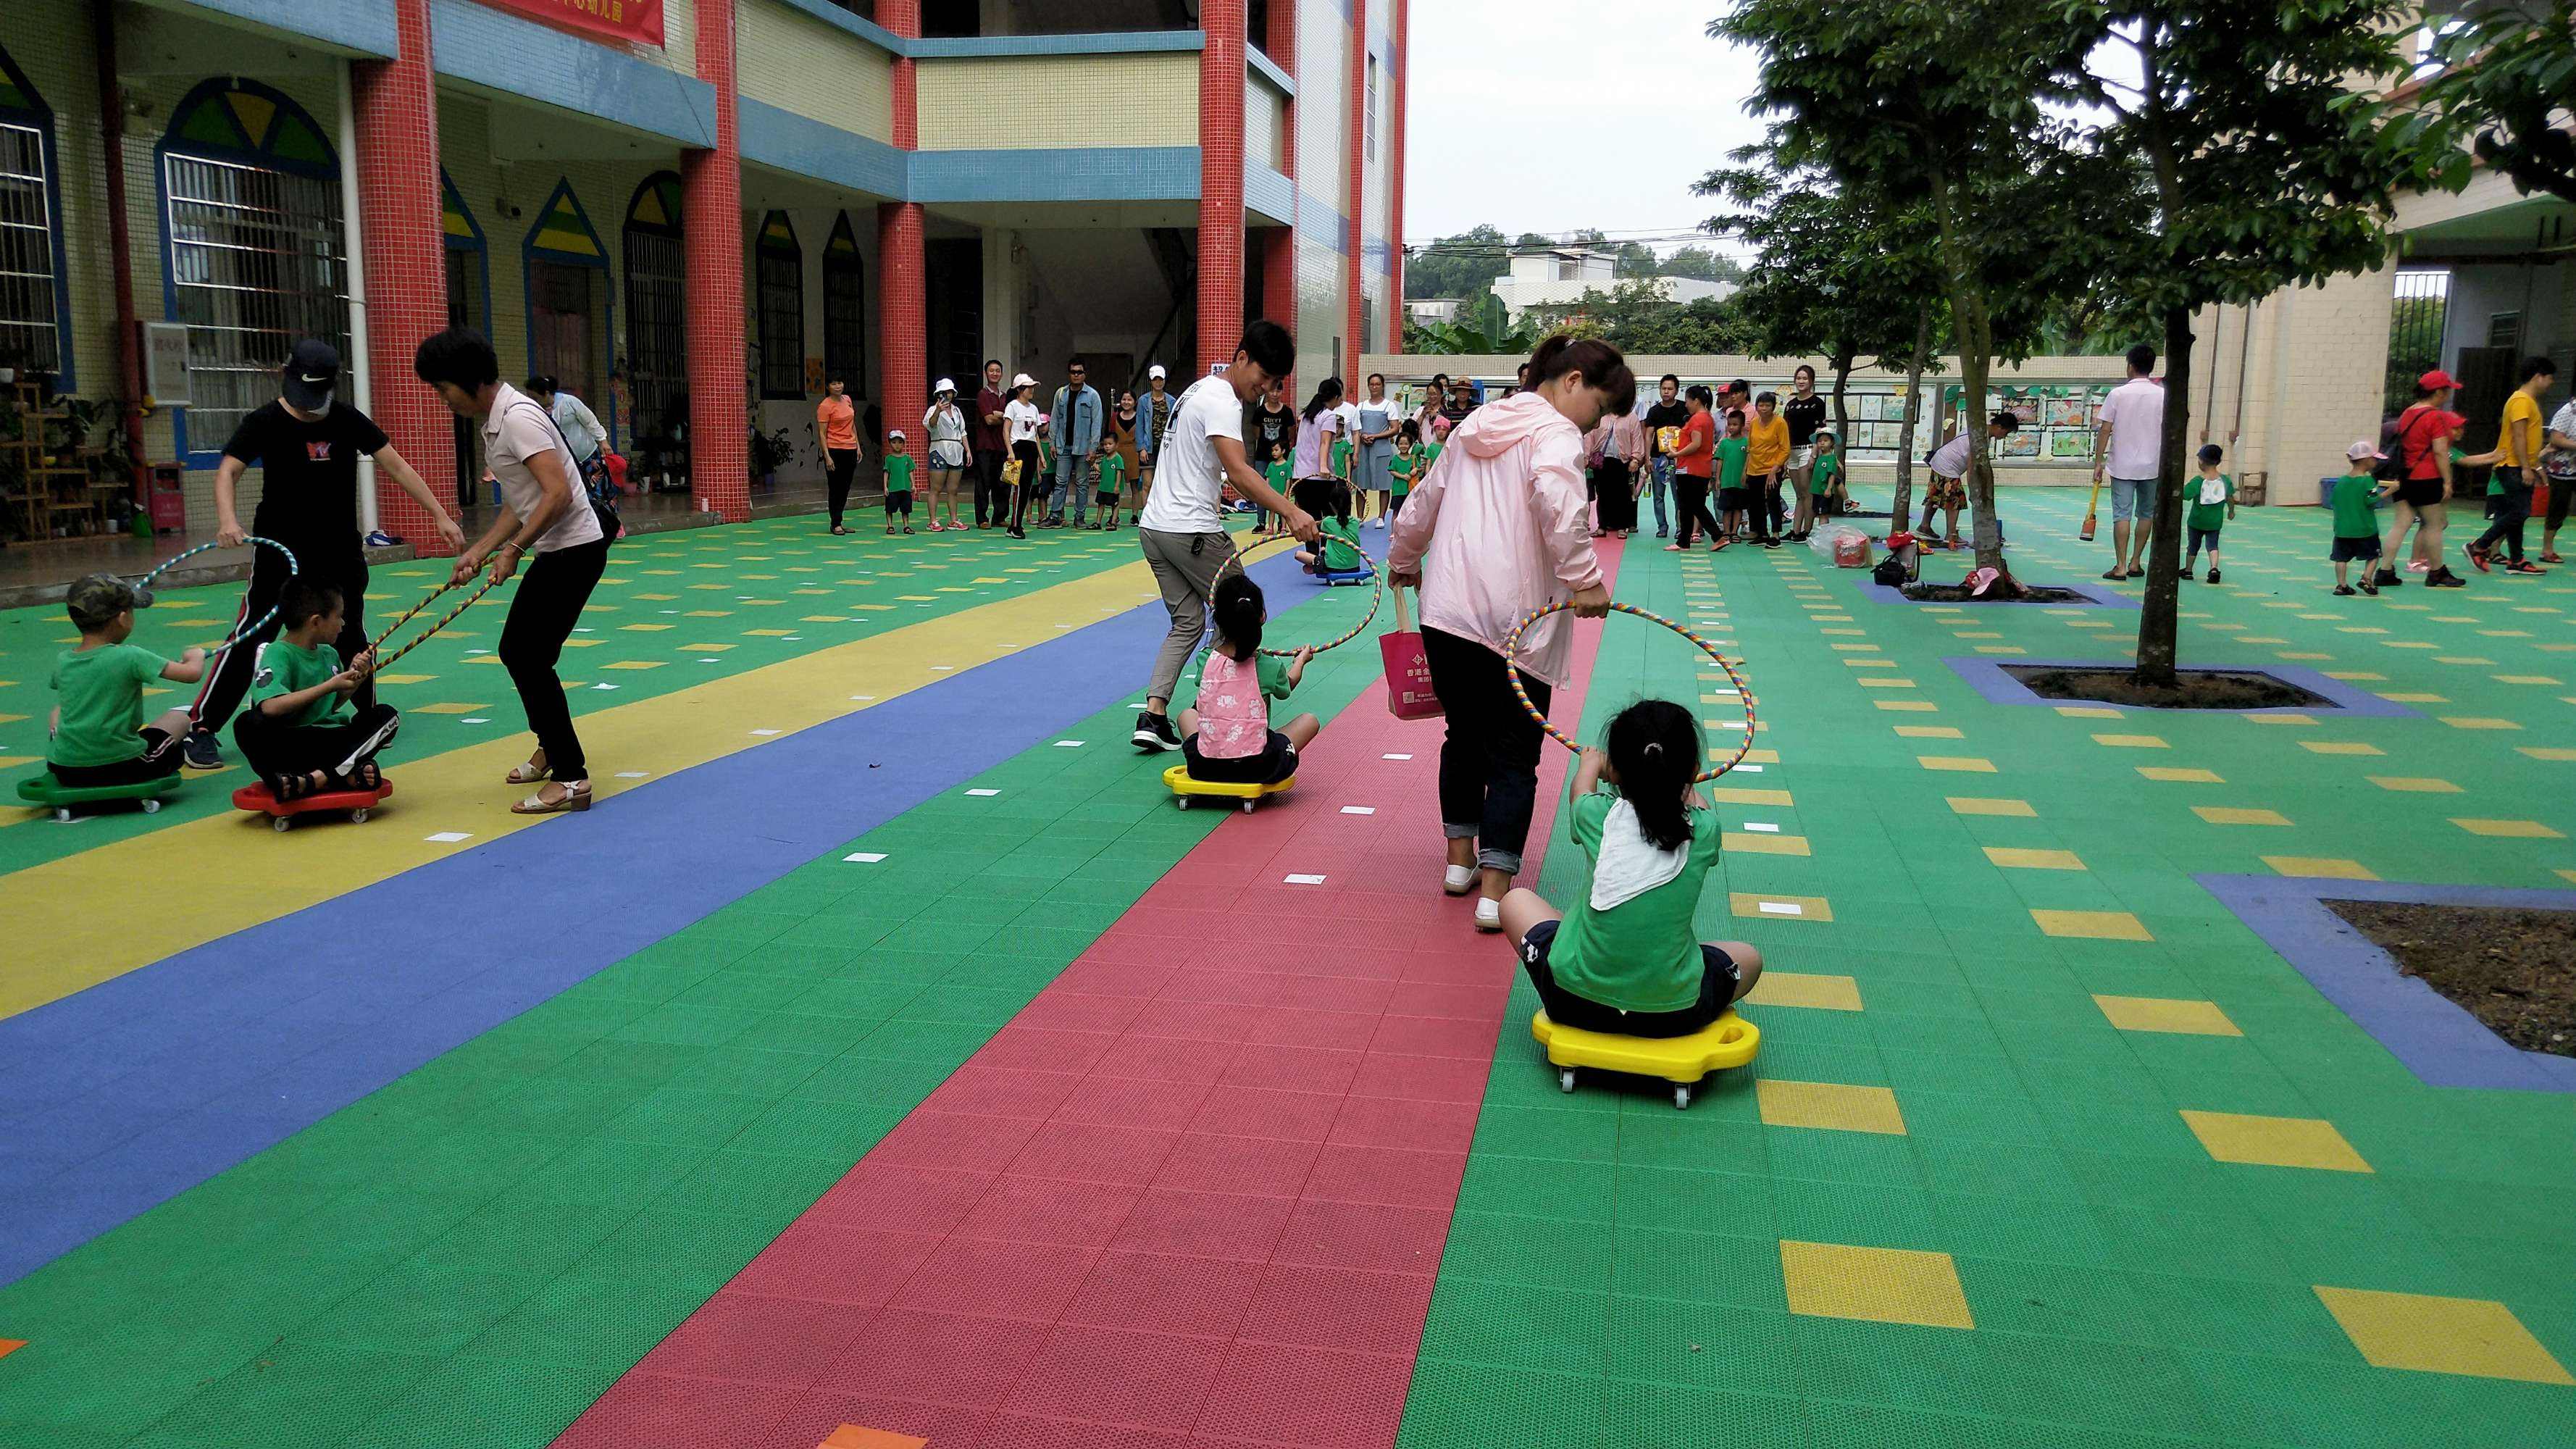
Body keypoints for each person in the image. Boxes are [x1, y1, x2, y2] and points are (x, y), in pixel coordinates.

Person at [1389, 335, 1623, 932]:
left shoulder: (1476, 424)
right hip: (1521, 620)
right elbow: (1561, 504)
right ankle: (1496, 893)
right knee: (1515, 754)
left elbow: (1424, 500)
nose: (1594, 425)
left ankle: (1458, 862)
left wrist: (1404, 557)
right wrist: (1585, 579)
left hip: (1449, 612)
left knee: (1463, 736)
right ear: (1572, 382)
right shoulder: (1555, 433)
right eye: (1597, 408)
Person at [184, 338, 461, 770]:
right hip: (281, 553)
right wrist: (227, 520)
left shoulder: (347, 419)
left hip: (338, 551)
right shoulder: (264, 421)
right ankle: (202, 728)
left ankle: (365, 716)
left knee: (350, 633)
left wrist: (440, 515)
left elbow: (397, 465)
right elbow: (229, 470)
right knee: (253, 635)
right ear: (286, 375)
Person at [416, 327, 611, 814]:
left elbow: (558, 494)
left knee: (527, 657)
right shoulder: (498, 421)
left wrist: (515, 550)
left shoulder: (518, 420)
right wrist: (481, 549)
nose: (444, 401)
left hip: (575, 550)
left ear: (467, 380)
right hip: (560, 549)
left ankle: (571, 777)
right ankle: (551, 748)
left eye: (443, 390)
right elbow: (521, 503)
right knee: (523, 652)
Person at [1498, 699, 1764, 1037]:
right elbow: (1699, 807)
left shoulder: (1597, 816)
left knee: (1514, 900)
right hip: (1673, 1015)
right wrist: (1681, 779)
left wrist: (1590, 764)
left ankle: (1600, 964)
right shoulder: (1705, 830)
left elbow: (1581, 792)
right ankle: (1645, 986)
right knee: (1749, 959)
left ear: (1616, 771)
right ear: (1692, 770)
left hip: (1571, 1002)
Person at [1132, 321, 1316, 753]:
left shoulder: (1197, 390)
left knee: (1190, 622)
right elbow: (1237, 470)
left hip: (1155, 528)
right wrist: (1291, 511)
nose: (1267, 389)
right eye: (1264, 377)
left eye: (1275, 383)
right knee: (1241, 616)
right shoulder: (1222, 402)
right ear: (1241, 358)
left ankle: (1154, 714)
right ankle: (1231, 725)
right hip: (1192, 531)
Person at [234, 579, 401, 801]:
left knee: (386, 715)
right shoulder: (278, 653)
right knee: (247, 723)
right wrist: (329, 685)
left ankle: (312, 780)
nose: (343, 623)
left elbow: (331, 704)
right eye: (338, 616)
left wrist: (356, 680)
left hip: (331, 740)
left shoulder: (329, 654)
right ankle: (341, 773)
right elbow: (271, 707)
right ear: (315, 621)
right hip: (293, 742)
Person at [46, 575, 204, 788]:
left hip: (65, 769)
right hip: (124, 768)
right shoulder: (130, 657)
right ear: (122, 618)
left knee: (58, 711)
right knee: (180, 720)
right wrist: (196, 655)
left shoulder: (63, 659)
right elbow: (192, 674)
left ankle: (81, 752)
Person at [1176, 572, 1321, 786]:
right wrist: (1300, 661)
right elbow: (1287, 685)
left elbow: (1202, 686)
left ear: (1217, 618)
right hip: (1257, 767)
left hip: (1205, 766)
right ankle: (1259, 747)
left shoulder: (1206, 659)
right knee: (1310, 721)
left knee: (1187, 714)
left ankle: (1229, 750)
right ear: (1262, 616)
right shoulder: (1269, 666)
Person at [2379, 370, 2470, 589]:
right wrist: (2447, 481)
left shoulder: (2407, 413)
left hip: (2405, 475)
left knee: (2400, 525)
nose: (2449, 393)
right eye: (2448, 389)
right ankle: (2437, 572)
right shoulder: (2435, 416)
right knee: (2434, 525)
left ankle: (2385, 570)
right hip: (2427, 477)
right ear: (2439, 391)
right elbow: (2440, 451)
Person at [2467, 356, 2556, 575]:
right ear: (2538, 377)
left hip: (2519, 464)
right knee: (2520, 510)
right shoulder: (2521, 401)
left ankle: (2517, 560)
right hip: (2512, 465)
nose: (2551, 383)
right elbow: (2519, 435)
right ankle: (2479, 545)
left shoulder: (2527, 401)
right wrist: (2526, 467)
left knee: (2519, 511)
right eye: (2550, 378)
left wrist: (2534, 466)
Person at [2093, 343, 2166, 580]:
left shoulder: (2118, 394)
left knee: (2121, 514)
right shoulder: (2163, 394)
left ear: (2131, 366)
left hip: (2122, 464)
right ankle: (2136, 562)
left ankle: (2121, 565)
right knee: (2146, 513)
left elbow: (2105, 429)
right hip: (2152, 464)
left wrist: (2098, 461)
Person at [1923, 413, 2017, 549]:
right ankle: (1951, 535)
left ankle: (1925, 526)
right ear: (1998, 427)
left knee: (1936, 494)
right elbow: (1972, 466)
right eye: (2006, 433)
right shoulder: (1980, 439)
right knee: (1955, 501)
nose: (2004, 436)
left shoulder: (1978, 428)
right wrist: (1973, 490)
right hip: (1948, 466)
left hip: (1941, 459)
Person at [527, 376, 613, 503]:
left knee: (598, 495)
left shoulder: (569, 402)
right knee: (576, 499)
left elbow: (591, 422)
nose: (532, 400)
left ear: (546, 393)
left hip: (588, 457)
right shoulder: (536, 411)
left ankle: (608, 521)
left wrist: (603, 441)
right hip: (564, 463)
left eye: (535, 397)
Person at [1666, 384, 1723, 552]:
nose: (1686, 405)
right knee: (1691, 505)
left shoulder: (1698, 419)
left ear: (1696, 401)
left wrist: (1676, 454)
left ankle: (1716, 536)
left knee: (1691, 505)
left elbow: (1696, 444)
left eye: (1688, 401)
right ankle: (1685, 541)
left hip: (1690, 469)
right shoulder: (1708, 418)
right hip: (1700, 468)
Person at [1047, 359, 1103, 527]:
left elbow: (1097, 423)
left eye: (1079, 372)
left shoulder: (1092, 395)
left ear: (1085, 374)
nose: (1076, 375)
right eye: (1073, 372)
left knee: (1082, 483)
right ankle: (1055, 515)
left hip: (1084, 447)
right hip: (1063, 445)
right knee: (1060, 481)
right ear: (1069, 374)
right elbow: (1055, 419)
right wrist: (1052, 442)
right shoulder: (1061, 394)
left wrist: (1093, 448)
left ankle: (1080, 517)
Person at [2331, 440, 2391, 596]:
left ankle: (2342, 585)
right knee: (2373, 555)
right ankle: (2366, 578)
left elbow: (2335, 502)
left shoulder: (2341, 481)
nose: (2376, 461)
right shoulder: (2368, 481)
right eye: (2374, 458)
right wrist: (2390, 491)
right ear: (2366, 460)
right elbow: (2371, 500)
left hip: (2342, 529)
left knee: (2341, 558)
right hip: (2365, 528)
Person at [2180, 443, 2236, 585]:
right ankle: (2214, 568)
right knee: (2213, 545)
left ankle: (2188, 570)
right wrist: (2231, 511)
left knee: (2193, 546)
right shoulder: (2225, 481)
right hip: (2215, 521)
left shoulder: (2199, 481)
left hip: (2196, 521)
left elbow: (2185, 495)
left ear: (2202, 462)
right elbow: (2230, 498)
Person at [1783, 364, 1827, 540]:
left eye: (1805, 378)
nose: (1801, 382)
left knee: (1807, 493)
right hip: (1792, 452)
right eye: (1799, 378)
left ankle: (1807, 531)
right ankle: (1796, 530)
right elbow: (1785, 431)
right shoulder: (1791, 405)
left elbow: (1820, 432)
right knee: (1799, 494)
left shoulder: (1817, 403)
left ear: (1812, 381)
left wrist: (1815, 454)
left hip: (1808, 450)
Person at [1640, 374, 1685, 539]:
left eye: (1670, 389)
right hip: (1657, 459)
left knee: (1678, 495)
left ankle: (1681, 527)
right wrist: (1647, 459)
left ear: (1676, 391)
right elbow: (1648, 435)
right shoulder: (1654, 411)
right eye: (1663, 388)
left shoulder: (1684, 408)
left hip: (1678, 458)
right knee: (1658, 495)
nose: (1666, 392)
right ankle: (1662, 527)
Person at [922, 379, 969, 531]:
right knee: (936, 487)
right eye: (944, 392)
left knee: (953, 489)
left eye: (950, 392)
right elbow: (931, 424)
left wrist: (968, 450)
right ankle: (933, 521)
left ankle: (954, 520)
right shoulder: (933, 409)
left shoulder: (957, 411)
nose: (947, 395)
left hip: (956, 449)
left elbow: (962, 432)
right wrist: (938, 410)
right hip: (939, 448)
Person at [1003, 372, 1045, 539]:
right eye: (1029, 387)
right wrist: (1010, 451)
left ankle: (1015, 524)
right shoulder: (1012, 406)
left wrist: (1041, 456)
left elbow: (1035, 435)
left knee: (1027, 488)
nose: (1032, 390)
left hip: (1031, 448)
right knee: (1019, 488)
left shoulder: (1034, 408)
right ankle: (1015, 524)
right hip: (1018, 447)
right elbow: (1006, 430)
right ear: (1021, 389)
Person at [1745, 391, 1790, 547]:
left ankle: (1776, 535)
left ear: (1773, 407)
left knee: (1773, 500)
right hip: (1754, 469)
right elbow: (1751, 448)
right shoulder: (1754, 423)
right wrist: (1746, 470)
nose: (1764, 408)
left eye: (1767, 405)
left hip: (1772, 469)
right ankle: (1762, 533)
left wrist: (1775, 469)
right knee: (1755, 503)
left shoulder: (1780, 423)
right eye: (1761, 405)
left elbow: (1785, 449)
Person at [1294, 379, 1347, 509]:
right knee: (1324, 520)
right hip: (1319, 477)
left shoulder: (1306, 415)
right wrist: (1323, 466)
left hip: (1300, 475)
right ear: (1335, 397)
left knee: (1307, 517)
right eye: (1339, 399)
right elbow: (1325, 442)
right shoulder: (1328, 416)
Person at [1294, 479, 1366, 575]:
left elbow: (1315, 526)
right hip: (1354, 566)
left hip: (1333, 567)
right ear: (1350, 504)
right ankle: (1321, 558)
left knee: (1298, 554)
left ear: (1331, 505)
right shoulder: (1355, 522)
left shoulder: (1328, 522)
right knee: (1324, 548)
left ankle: (1317, 565)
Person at [1355, 373, 1400, 527]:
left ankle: (1381, 517)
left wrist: (1376, 436)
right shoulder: (1360, 406)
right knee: (1361, 484)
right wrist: (1362, 436)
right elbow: (1354, 427)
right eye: (1372, 384)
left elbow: (1395, 429)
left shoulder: (1389, 406)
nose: (1374, 387)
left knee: (1384, 483)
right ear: (1368, 386)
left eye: (1377, 384)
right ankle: (1360, 517)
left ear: (1382, 386)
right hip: (1363, 449)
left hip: (1382, 449)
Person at [818, 376, 859, 535]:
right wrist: (827, 456)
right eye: (833, 383)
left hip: (850, 447)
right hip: (834, 449)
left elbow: (852, 424)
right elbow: (822, 433)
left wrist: (857, 446)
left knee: (846, 487)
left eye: (840, 383)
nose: (837, 386)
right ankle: (835, 523)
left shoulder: (847, 400)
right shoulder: (825, 406)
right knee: (835, 487)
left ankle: (839, 519)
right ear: (828, 387)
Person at [1594, 403, 1642, 538]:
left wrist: (1636, 459)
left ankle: (1622, 527)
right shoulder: (1601, 415)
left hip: (1623, 461)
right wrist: (1586, 456)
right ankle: (1602, 526)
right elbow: (1591, 436)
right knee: (1602, 494)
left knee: (1623, 494)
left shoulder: (1631, 418)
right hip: (1602, 460)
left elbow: (1637, 439)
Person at [1135, 363, 1182, 501]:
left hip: (1166, 447)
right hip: (1149, 447)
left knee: (1167, 483)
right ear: (1151, 381)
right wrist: (1141, 448)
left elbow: (1175, 425)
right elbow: (1140, 425)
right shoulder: (1143, 401)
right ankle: (1146, 516)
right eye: (1155, 379)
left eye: (1161, 379)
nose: (1158, 382)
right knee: (1147, 484)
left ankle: (1164, 514)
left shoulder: (1172, 401)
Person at [974, 359, 1011, 528]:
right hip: (986, 446)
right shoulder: (983, 394)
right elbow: (988, 420)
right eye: (991, 371)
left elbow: (1012, 419)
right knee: (984, 483)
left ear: (1001, 373)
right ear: (986, 373)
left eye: (998, 370)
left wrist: (999, 414)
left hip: (1003, 446)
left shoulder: (1005, 396)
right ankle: (982, 518)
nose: (995, 373)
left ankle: (1000, 517)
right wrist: (1003, 417)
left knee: (1002, 483)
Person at [2543, 391, 2576, 563]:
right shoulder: (2568, 411)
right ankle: (2547, 549)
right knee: (2558, 509)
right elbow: (2556, 439)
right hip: (2563, 469)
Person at [1103, 390, 1140, 530]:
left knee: (1135, 487)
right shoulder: (1114, 417)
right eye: (1124, 399)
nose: (1126, 402)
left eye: (1129, 400)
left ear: (1135, 402)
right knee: (1116, 486)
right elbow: (1110, 436)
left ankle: (1135, 515)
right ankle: (1114, 516)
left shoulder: (1139, 417)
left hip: (1134, 453)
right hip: (1117, 454)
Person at [1713, 409, 1752, 546]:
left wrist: (1745, 474)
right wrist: (1717, 478)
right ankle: (1726, 532)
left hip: (1740, 482)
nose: (1731, 427)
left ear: (1742, 426)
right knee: (1726, 508)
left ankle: (1734, 532)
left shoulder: (1746, 443)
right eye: (1729, 424)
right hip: (1726, 481)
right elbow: (1720, 461)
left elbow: (1749, 459)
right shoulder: (1724, 443)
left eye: (1735, 425)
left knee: (1738, 508)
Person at [882, 430, 916, 535]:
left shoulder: (907, 458)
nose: (897, 445)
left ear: (904, 444)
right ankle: (890, 526)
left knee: (905, 509)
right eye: (894, 442)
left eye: (900, 442)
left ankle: (906, 526)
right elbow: (886, 472)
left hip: (905, 488)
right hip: (893, 488)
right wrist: (885, 487)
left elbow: (910, 471)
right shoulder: (889, 459)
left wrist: (913, 485)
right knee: (890, 508)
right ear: (890, 443)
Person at [1390, 422, 1424, 523]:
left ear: (1410, 445)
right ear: (1397, 445)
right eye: (1401, 444)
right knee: (1396, 512)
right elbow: (1392, 471)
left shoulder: (1413, 458)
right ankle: (1393, 532)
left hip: (1410, 490)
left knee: (1409, 511)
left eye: (1406, 444)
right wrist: (1403, 476)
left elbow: (1420, 468)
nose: (1403, 446)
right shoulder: (1395, 458)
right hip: (1398, 490)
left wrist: (1416, 470)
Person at [1095, 436, 1129, 529]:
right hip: (1103, 486)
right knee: (1101, 504)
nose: (1107, 447)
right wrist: (1092, 463)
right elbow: (1100, 469)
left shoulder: (1118, 458)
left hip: (1113, 487)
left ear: (1116, 445)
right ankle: (1098, 522)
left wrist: (1117, 486)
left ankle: (1114, 522)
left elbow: (1119, 472)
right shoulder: (1105, 458)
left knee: (1115, 505)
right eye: (1105, 444)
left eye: (1110, 444)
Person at [1810, 430, 1847, 515]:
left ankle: (1823, 528)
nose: (1822, 443)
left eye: (1826, 441)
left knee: (1823, 515)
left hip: (1824, 491)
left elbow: (1832, 474)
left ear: (1832, 443)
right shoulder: (1821, 457)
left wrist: (1829, 488)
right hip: (1817, 490)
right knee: (1819, 513)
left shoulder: (1831, 458)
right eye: (1819, 441)